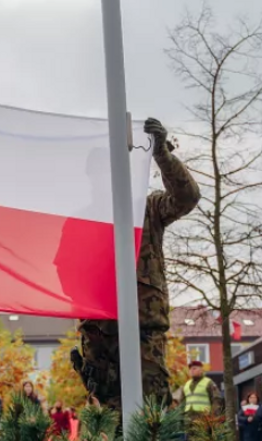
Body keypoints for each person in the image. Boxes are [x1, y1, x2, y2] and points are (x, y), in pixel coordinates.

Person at [71, 118, 201, 408]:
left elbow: (187, 197)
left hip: (143, 328)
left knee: (151, 414)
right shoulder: (82, 221)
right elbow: (65, 271)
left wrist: (162, 155)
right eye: (98, 173)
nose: (103, 179)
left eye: (109, 172)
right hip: (100, 334)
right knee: (109, 417)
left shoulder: (146, 208)